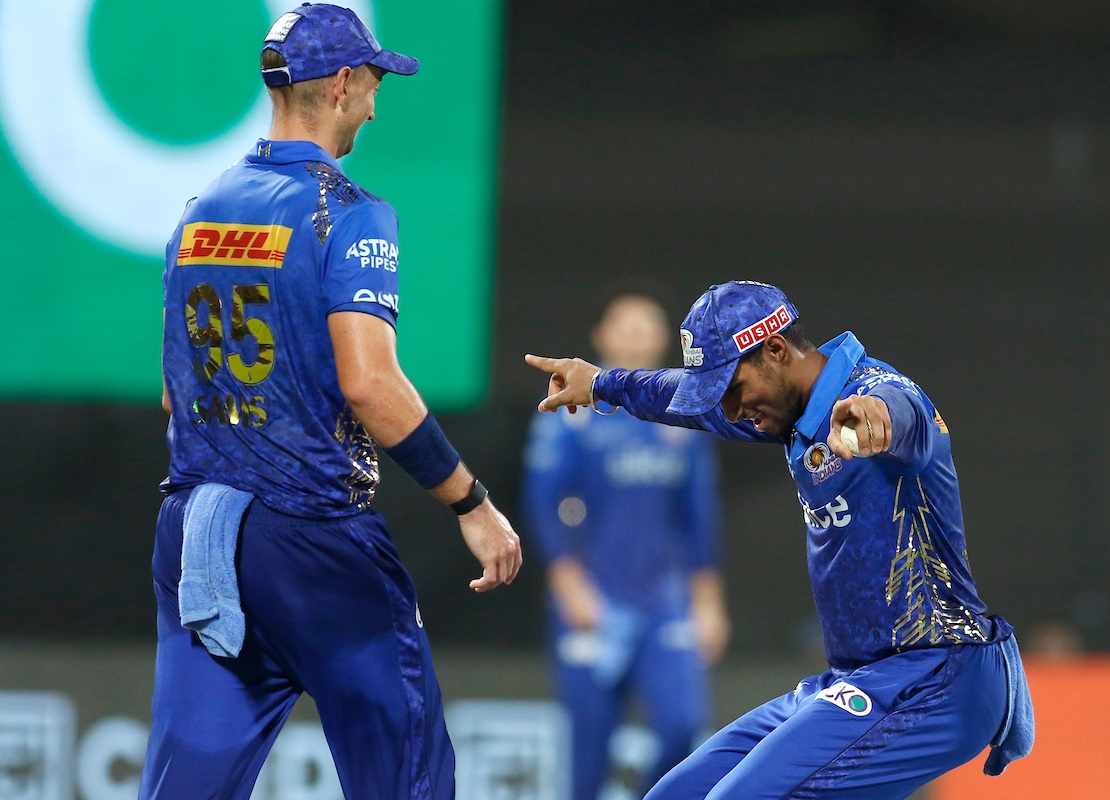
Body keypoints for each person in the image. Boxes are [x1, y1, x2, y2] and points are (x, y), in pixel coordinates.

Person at [144, 5, 521, 798]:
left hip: (198, 535)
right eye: (376, 83)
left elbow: (178, 399)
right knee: (405, 775)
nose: (378, 105)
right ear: (344, 84)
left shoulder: (197, 209)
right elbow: (370, 384)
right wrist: (470, 500)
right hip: (311, 541)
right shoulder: (347, 211)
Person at [525, 281, 1033, 800]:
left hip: (937, 677)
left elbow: (903, 412)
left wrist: (879, 420)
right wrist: (603, 382)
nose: (728, 410)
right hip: (860, 679)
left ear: (774, 349)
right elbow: (679, 399)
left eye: (732, 390)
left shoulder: (870, 394)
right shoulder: (791, 413)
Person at [522, 291, 730, 800]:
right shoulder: (570, 410)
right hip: (595, 598)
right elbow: (547, 502)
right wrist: (568, 583)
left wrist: (708, 603)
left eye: (648, 325)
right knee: (589, 754)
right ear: (602, 336)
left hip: (664, 600)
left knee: (683, 727)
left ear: (665, 340)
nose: (637, 334)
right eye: (625, 324)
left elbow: (698, 516)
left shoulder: (686, 417)